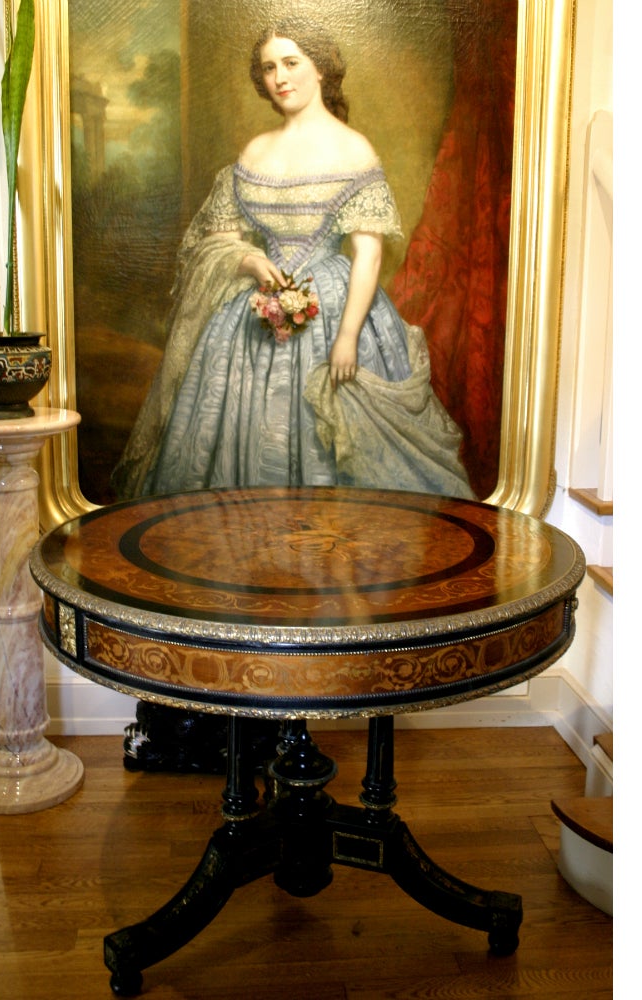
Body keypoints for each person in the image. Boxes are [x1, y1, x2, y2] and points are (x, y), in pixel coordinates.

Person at [112, 18, 474, 772]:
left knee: (338, 504)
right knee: (230, 486)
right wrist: (247, 260)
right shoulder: (254, 154)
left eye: (292, 62)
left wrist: (345, 335)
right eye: (268, 66)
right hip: (247, 334)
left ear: (321, 67)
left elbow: (367, 251)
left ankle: (319, 674)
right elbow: (218, 236)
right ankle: (245, 680)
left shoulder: (352, 150)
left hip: (334, 319)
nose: (279, 77)